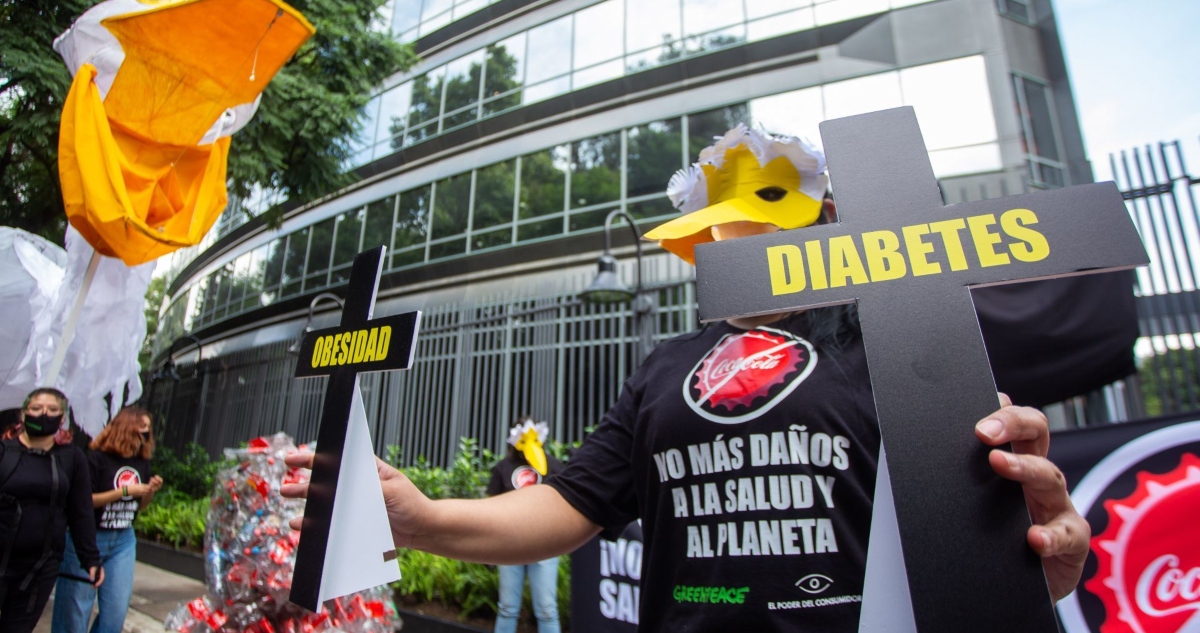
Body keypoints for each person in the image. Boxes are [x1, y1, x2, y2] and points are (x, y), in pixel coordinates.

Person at [281, 126, 1090, 631]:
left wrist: (1021, 571)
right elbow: (568, 504)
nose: (736, 250)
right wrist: (421, 518)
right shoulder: (665, 369)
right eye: (720, 236)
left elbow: (979, 536)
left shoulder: (903, 350)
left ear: (824, 227)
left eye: (759, 228)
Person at [0, 388, 103, 633]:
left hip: (39, 567)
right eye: (36, 409)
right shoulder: (3, 451)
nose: (44, 414)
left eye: (52, 410)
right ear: (24, 414)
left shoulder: (72, 458)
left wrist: (90, 558)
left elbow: (80, 511)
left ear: (62, 417)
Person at [52, 406, 162, 633]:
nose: (145, 435)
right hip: (88, 536)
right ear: (124, 429)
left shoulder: (141, 462)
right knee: (74, 612)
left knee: (115, 613)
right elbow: (83, 501)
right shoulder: (96, 459)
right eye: (140, 429)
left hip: (123, 539)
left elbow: (139, 506)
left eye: (148, 430)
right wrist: (123, 491)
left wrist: (149, 490)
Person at [486, 418, 565, 633]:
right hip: (509, 544)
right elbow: (491, 505)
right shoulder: (503, 467)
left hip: (545, 545)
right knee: (507, 608)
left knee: (547, 609)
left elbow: (564, 502)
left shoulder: (552, 466)